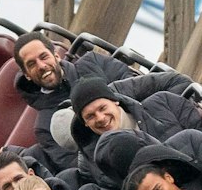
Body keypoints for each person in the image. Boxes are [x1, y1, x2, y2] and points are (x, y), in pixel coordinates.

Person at [12, 32, 134, 173]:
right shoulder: (44, 127)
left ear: (56, 55)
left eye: (44, 57)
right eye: (32, 64)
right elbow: (77, 165)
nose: (41, 66)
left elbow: (133, 85)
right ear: (27, 74)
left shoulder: (92, 62)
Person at [68, 74, 202, 147]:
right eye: (90, 116)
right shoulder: (92, 157)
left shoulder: (161, 105)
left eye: (103, 108)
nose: (101, 118)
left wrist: (176, 104)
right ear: (85, 123)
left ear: (115, 101)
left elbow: (182, 82)